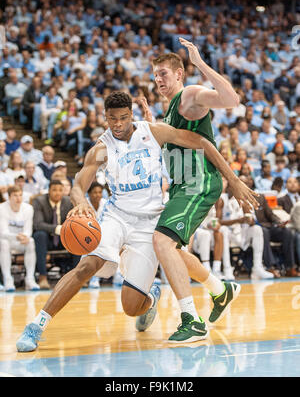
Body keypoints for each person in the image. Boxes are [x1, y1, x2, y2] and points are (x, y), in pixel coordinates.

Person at [16, 91, 257, 352]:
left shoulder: (153, 132)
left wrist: (233, 180)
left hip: (149, 224)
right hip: (116, 217)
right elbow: (78, 185)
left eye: (122, 118)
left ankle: (151, 298)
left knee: (131, 308)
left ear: (131, 115)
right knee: (88, 266)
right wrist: (81, 201)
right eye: (111, 119)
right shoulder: (101, 149)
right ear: (105, 118)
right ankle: (37, 325)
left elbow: (202, 142)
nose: (117, 124)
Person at [148, 37, 258, 342]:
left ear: (179, 74)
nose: (158, 80)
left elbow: (231, 100)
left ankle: (191, 320)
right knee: (172, 250)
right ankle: (220, 290)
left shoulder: (190, 95)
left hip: (198, 185)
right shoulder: (170, 108)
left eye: (164, 74)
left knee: (161, 242)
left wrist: (199, 62)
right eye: (155, 75)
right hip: (182, 188)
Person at [31, 180, 76, 290]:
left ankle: (76, 277)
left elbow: (73, 222)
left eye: (60, 190)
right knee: (39, 235)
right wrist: (57, 229)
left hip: (63, 239)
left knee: (77, 238)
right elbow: (38, 224)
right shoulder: (39, 201)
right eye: (54, 190)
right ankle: (42, 277)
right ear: (49, 191)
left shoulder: (68, 202)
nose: (57, 193)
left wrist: (65, 230)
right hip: (47, 240)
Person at [0, 185, 39, 291]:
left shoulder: (28, 208)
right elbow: (3, 232)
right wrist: (17, 236)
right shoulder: (1, 208)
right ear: (9, 197)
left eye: (20, 195)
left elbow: (28, 229)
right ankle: (8, 280)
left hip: (21, 240)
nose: (18, 198)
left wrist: (25, 236)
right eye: (15, 195)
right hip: (8, 240)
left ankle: (30, 279)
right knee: (3, 243)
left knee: (31, 241)